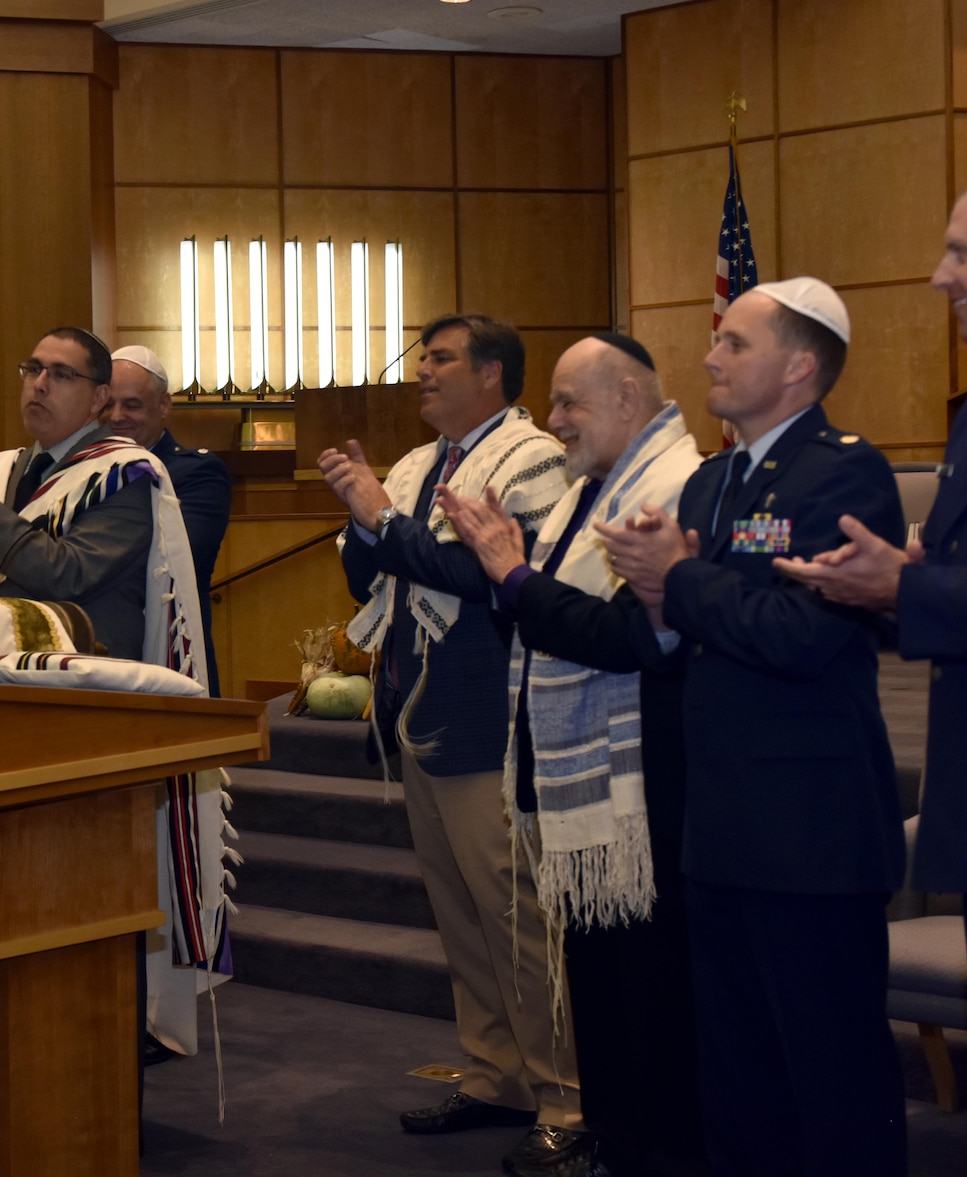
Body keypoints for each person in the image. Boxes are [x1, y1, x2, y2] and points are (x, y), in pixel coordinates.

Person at [776, 146, 967, 1175]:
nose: (937, 275)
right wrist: (881, 588)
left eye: (959, 251)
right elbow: (966, 591)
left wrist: (910, 590)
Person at [595, 278, 906, 1177]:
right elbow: (669, 645)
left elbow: (803, 637)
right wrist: (657, 601)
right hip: (721, 821)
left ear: (800, 365)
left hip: (809, 829)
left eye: (733, 342)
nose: (709, 356)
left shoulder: (844, 470)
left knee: (829, 1075)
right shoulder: (713, 479)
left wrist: (680, 585)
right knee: (737, 1076)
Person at [0, 326, 224, 1060]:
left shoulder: (127, 474)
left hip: (75, 727)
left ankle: (92, 1096)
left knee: (73, 921)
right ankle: (3, 1076)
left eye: (60, 373)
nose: (39, 384)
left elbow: (67, 574)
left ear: (100, 395)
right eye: (31, 368)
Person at [438, 334, 709, 1177]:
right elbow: (538, 616)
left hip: (648, 784)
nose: (553, 423)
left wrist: (514, 578)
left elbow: (631, 639)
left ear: (629, 399)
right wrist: (504, 575)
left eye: (569, 404)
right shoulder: (587, 490)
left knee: (648, 992)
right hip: (589, 789)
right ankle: (616, 1141)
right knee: (599, 984)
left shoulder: (675, 486)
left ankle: (654, 1150)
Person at [319, 313, 581, 1175]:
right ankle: (496, 1073)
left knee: (517, 916)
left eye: (440, 359)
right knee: (462, 916)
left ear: (494, 374)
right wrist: (368, 523)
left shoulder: (533, 457)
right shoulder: (415, 464)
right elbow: (373, 575)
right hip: (418, 713)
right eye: (423, 358)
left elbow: (491, 575)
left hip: (487, 716)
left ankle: (565, 1095)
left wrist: (382, 522)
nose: (422, 372)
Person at [106, 344, 232, 694]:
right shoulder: (84, 475)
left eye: (132, 404)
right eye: (108, 404)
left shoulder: (197, 473)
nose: (117, 416)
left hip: (171, 662)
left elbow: (174, 563)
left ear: (164, 405)